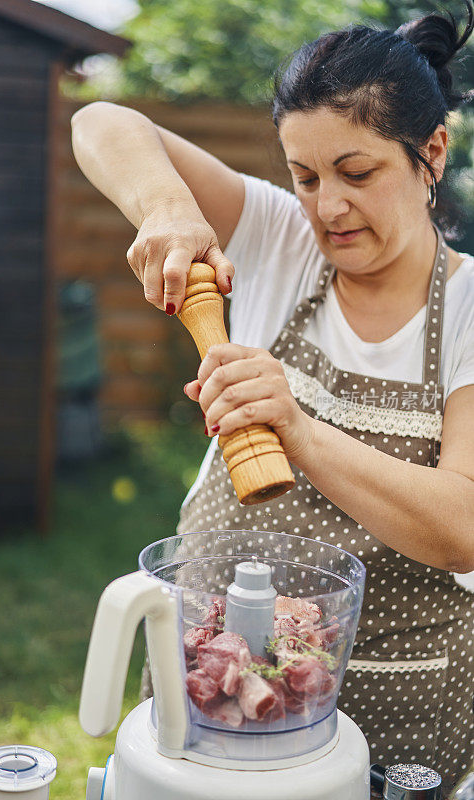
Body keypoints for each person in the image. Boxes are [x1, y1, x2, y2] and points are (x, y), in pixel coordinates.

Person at [71, 4, 474, 789]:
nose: (326, 207)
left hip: (399, 713)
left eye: (358, 174)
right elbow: (103, 120)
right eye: (305, 175)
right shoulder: (277, 239)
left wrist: (297, 428)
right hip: (211, 697)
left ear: (431, 153)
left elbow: (464, 525)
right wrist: (168, 207)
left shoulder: (470, 310)